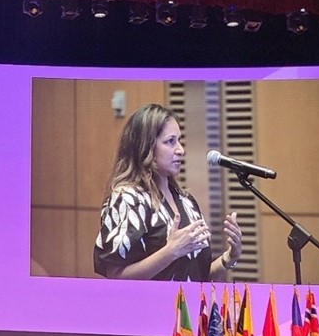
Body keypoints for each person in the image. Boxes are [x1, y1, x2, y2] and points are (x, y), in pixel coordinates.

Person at [93, 104, 243, 281]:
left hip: (187, 300)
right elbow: (116, 276)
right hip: (150, 300)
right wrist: (170, 252)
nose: (181, 150)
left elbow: (195, 277)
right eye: (170, 141)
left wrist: (229, 258)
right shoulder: (128, 199)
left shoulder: (186, 201)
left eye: (179, 140)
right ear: (146, 147)